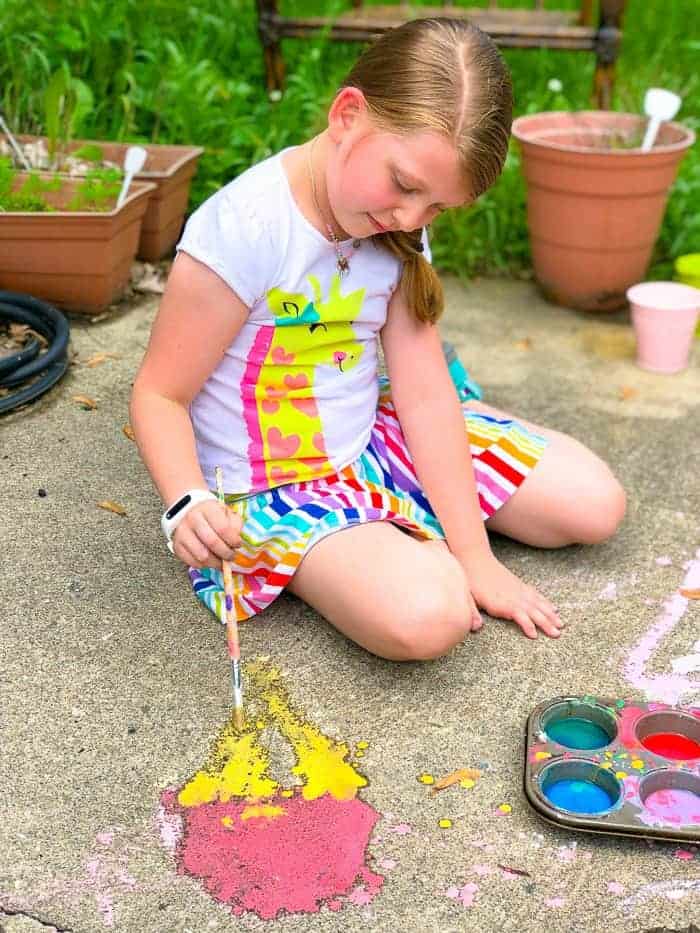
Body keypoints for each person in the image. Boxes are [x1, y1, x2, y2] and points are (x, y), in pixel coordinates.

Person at [130, 17, 626, 662]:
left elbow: (423, 395)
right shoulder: (246, 227)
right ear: (347, 116)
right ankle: (363, 546)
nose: (414, 220)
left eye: (437, 209)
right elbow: (159, 394)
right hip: (273, 485)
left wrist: (476, 558)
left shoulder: (394, 220)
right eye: (405, 186)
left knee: (595, 504)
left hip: (371, 438)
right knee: (430, 617)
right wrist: (186, 500)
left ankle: (410, 525)